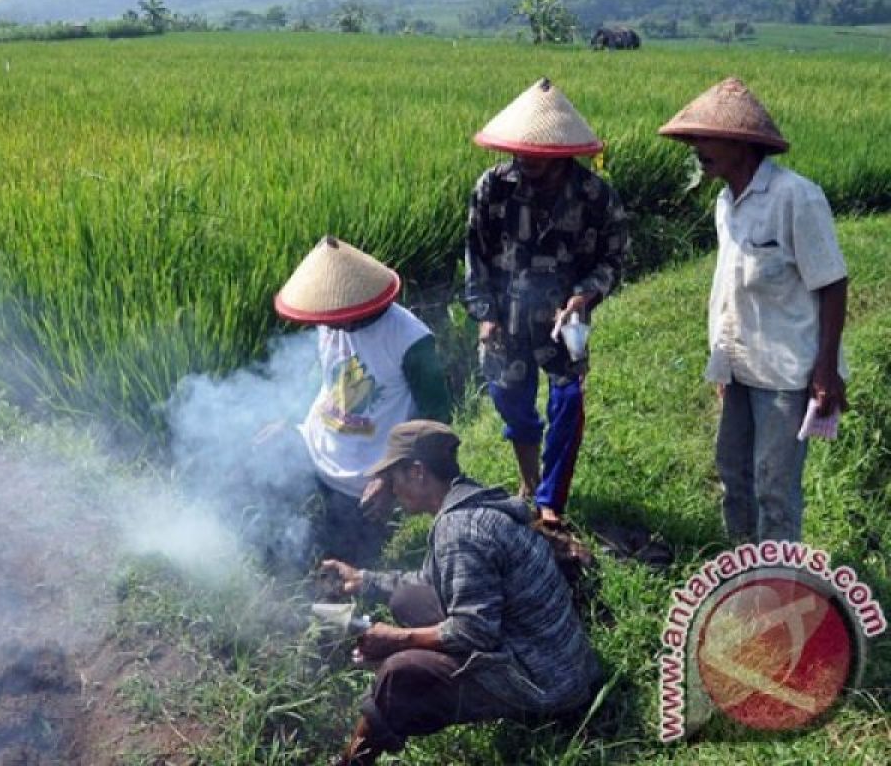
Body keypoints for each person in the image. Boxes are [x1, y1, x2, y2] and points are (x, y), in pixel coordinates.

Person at [320, 420, 601, 765]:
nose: (390, 488)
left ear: (418, 472)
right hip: (553, 658)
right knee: (408, 598)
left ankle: (350, 762)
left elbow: (474, 631)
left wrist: (398, 639)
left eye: (393, 477)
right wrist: (363, 579)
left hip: (546, 682)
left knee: (399, 675)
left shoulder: (460, 531)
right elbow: (429, 580)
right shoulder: (467, 502)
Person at [659, 77, 848, 543]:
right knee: (733, 474)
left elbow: (833, 283)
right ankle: (745, 571)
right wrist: (724, 363)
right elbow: (732, 285)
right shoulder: (726, 202)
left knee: (774, 488)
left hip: (787, 373)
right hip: (740, 366)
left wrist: (825, 371)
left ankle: (780, 589)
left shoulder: (795, 197)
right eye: (695, 139)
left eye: (709, 138)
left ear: (743, 145)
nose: (698, 148)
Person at [464, 78, 627, 524]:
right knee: (509, 398)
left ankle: (551, 501)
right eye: (522, 152)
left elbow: (614, 258)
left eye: (538, 156)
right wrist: (485, 315)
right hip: (506, 318)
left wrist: (584, 295)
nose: (527, 161)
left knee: (568, 402)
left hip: (564, 320)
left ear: (562, 153)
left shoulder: (596, 196)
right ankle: (529, 479)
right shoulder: (493, 187)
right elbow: (475, 254)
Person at [274, 236, 451, 567]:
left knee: (349, 566)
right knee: (254, 476)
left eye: (328, 314)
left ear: (351, 308)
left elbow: (436, 419)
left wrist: (389, 477)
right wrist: (288, 421)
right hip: (317, 448)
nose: (322, 321)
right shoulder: (332, 320)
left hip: (365, 478)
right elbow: (325, 377)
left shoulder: (410, 340)